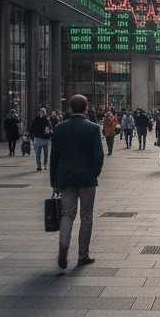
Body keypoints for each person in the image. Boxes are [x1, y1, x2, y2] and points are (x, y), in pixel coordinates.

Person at [50, 94, 104, 271]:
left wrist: (54, 180)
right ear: (86, 108)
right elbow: (98, 155)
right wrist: (94, 172)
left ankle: (63, 249)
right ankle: (83, 255)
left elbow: (54, 158)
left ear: (70, 108)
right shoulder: (93, 128)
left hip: (66, 178)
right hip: (87, 178)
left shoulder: (59, 128)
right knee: (86, 216)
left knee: (67, 214)